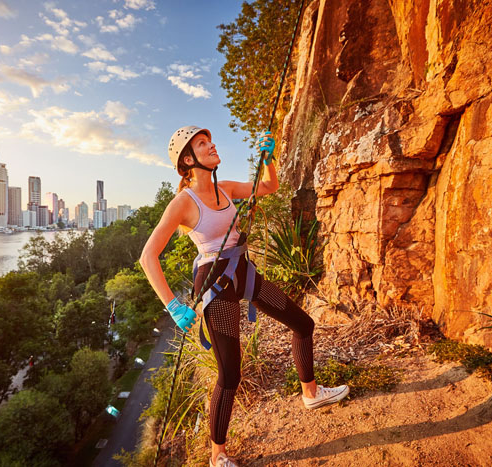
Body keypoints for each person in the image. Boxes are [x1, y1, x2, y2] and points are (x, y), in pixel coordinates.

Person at [140, 126, 349, 467]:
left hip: (244, 273)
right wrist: (173, 305)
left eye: (210, 141)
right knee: (230, 375)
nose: (212, 146)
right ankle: (217, 455)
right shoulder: (183, 202)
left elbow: (269, 187)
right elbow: (148, 256)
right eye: (202, 145)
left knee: (303, 323)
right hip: (214, 284)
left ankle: (311, 393)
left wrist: (268, 159)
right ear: (188, 160)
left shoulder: (225, 188)